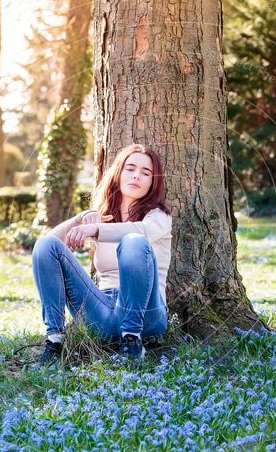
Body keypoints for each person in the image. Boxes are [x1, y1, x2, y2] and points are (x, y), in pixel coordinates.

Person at [30, 144, 172, 364]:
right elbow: (45, 249)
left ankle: (132, 340)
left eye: (146, 173)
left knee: (133, 241)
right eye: (130, 168)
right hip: (103, 311)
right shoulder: (101, 217)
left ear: (153, 183)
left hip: (147, 314)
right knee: (46, 244)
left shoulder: (158, 216)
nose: (137, 176)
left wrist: (95, 230)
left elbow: (142, 231)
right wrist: (81, 219)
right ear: (118, 173)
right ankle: (55, 340)